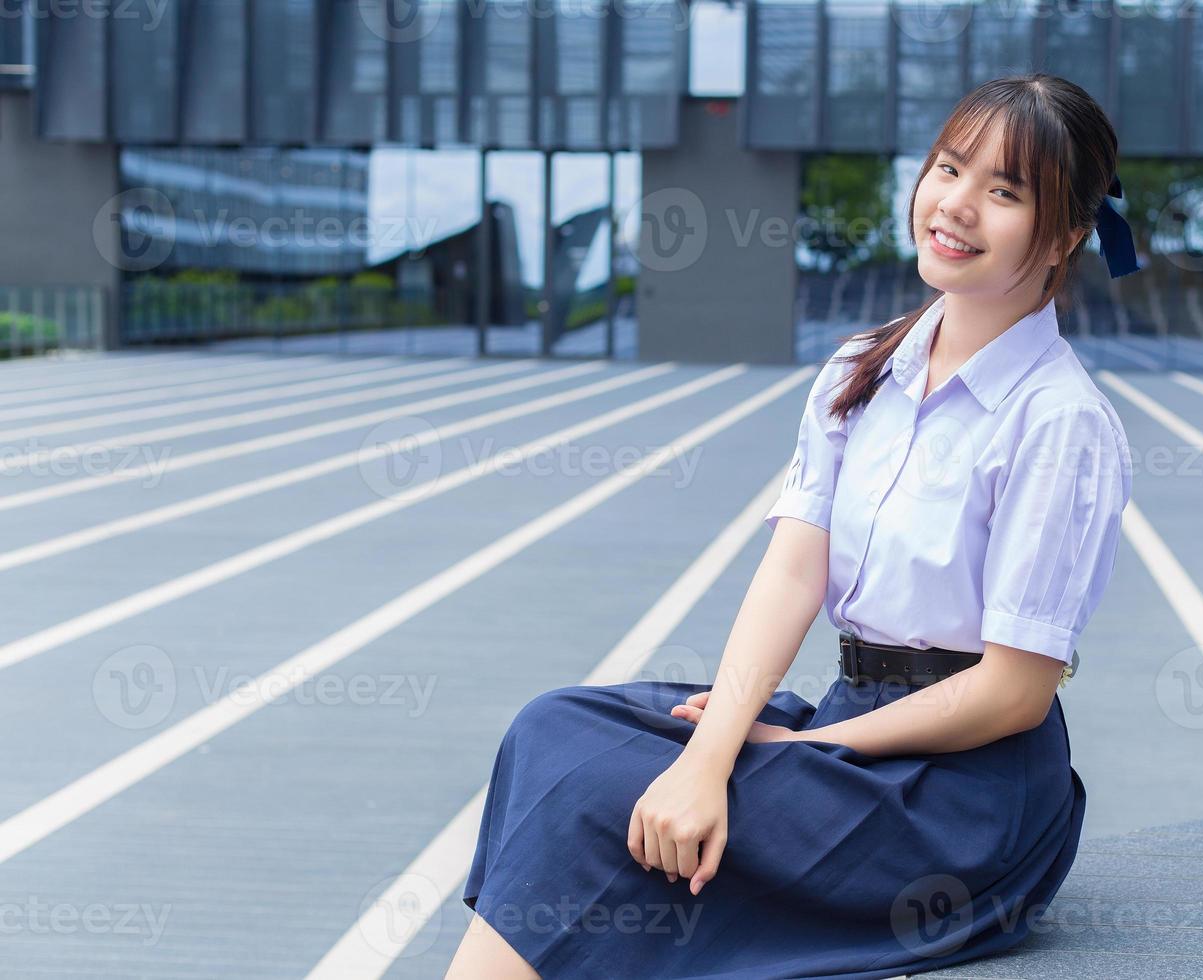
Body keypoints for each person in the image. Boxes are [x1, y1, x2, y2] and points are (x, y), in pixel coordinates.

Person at [446, 72, 1136, 979]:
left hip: (963, 796)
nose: (956, 206)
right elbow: (790, 577)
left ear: (1067, 234)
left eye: (1004, 191)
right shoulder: (864, 369)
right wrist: (715, 751)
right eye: (948, 168)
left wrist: (804, 748)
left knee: (594, 800)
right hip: (848, 728)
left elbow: (1014, 692)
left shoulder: (1060, 421)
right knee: (554, 728)